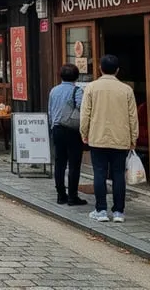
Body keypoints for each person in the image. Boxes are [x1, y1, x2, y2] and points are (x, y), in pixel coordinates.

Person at [80, 54, 139, 223]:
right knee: (119, 174)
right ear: (117, 70)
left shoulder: (91, 88)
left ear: (100, 68)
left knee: (99, 173)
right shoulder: (126, 90)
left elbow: (85, 114)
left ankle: (101, 210)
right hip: (120, 138)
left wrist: (84, 133)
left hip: (97, 137)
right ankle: (119, 212)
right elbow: (133, 116)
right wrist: (133, 137)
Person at [48, 63, 87, 206]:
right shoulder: (77, 91)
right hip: (72, 130)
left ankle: (60, 195)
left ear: (61, 76)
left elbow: (50, 111)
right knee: (74, 164)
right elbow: (82, 109)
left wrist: (52, 126)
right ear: (76, 77)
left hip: (57, 128)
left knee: (59, 163)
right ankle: (72, 196)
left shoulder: (54, 90)